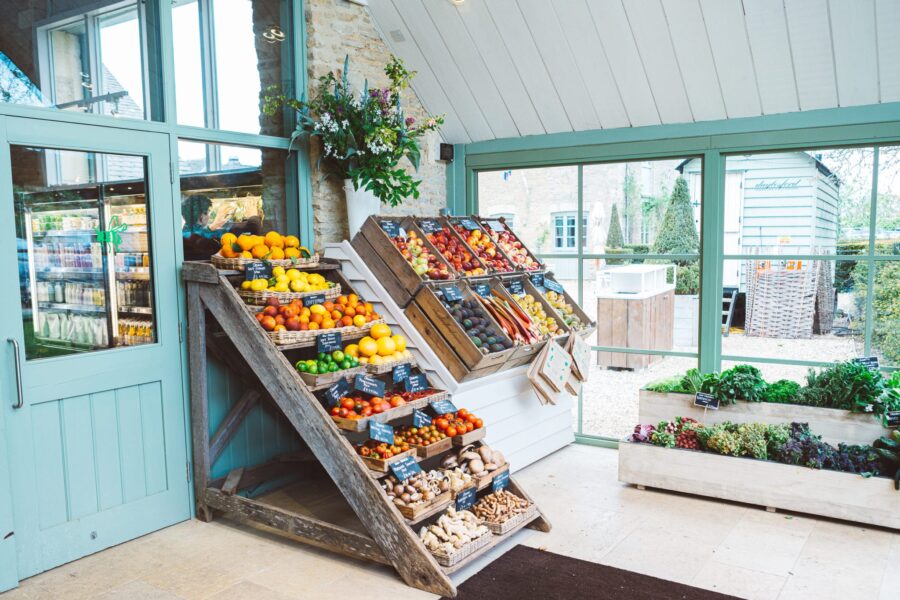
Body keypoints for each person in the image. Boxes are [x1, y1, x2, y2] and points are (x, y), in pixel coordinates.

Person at [181, 194, 263, 260]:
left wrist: (215, 226)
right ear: (202, 216)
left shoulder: (185, 233)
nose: (209, 216)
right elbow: (253, 230)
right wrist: (253, 217)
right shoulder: (195, 238)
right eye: (208, 213)